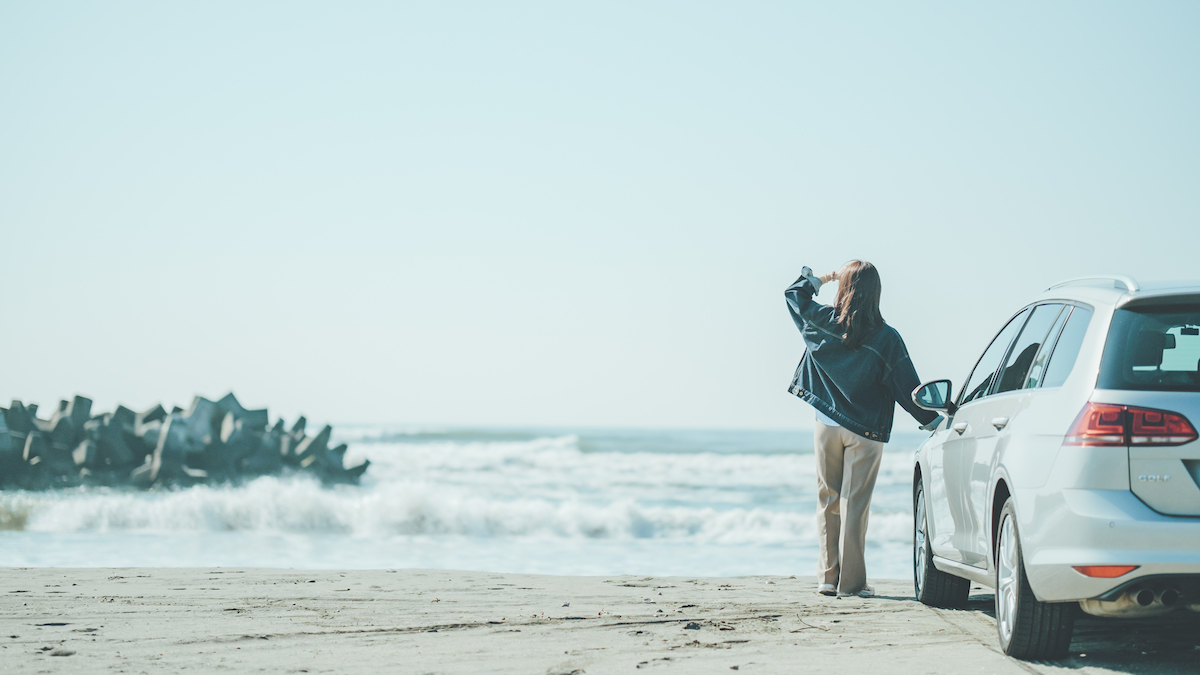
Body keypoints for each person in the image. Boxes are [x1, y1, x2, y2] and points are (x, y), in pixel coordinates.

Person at [784, 261, 940, 598]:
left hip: (826, 425)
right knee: (855, 505)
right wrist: (935, 421)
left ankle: (828, 578)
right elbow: (907, 388)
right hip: (865, 431)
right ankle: (852, 584)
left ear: (843, 288)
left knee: (828, 500)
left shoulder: (823, 321)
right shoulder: (887, 338)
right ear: (876, 293)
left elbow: (794, 296)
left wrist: (823, 278)